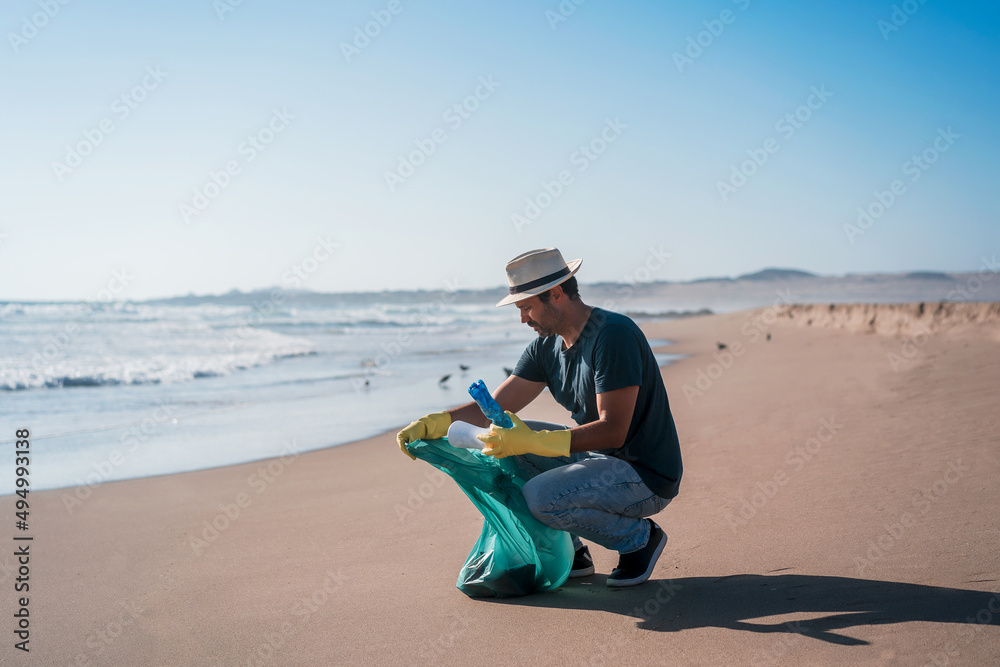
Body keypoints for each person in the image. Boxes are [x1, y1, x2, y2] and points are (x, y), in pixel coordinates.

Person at [396, 248, 683, 587]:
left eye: (526, 307)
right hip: (597, 462)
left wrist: (536, 442)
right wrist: (434, 423)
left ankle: (638, 539)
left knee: (542, 497)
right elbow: (494, 409)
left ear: (556, 295)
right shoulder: (545, 348)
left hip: (644, 474)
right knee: (501, 437)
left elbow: (615, 430)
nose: (522, 319)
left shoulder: (612, 335)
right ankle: (572, 549)